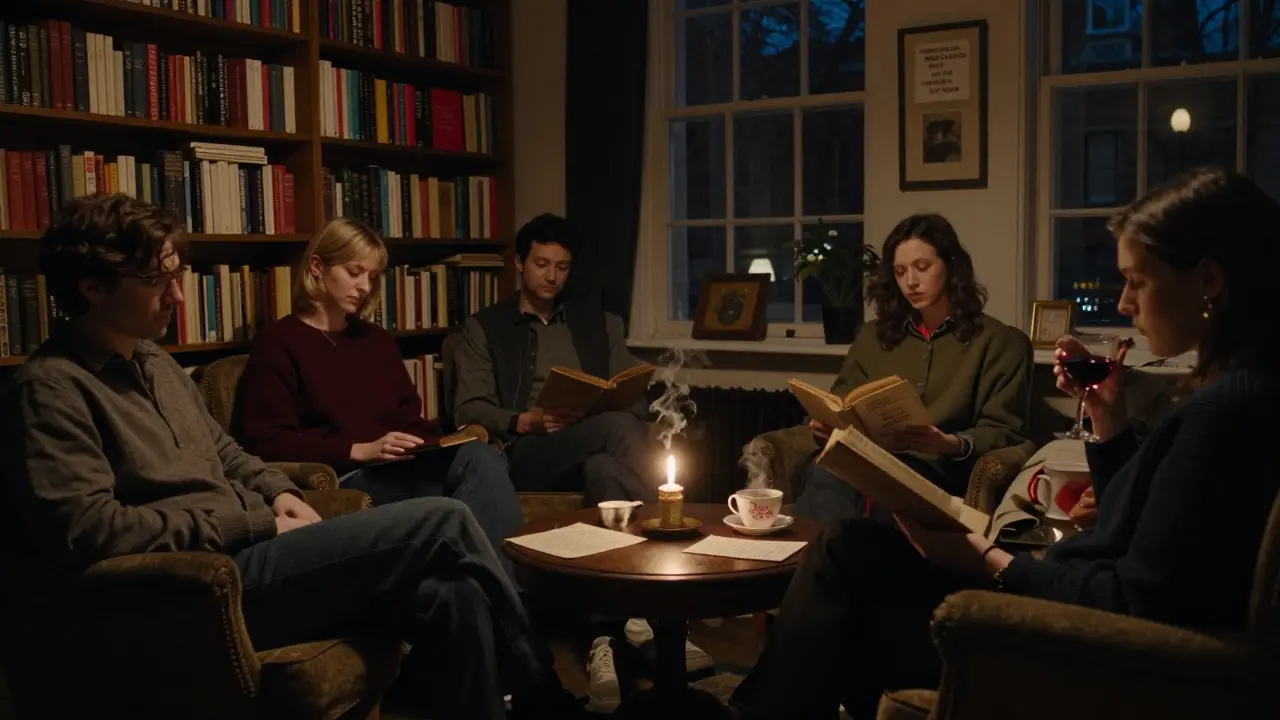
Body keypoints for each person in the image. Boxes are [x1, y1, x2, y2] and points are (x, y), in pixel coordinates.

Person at [0, 195, 584, 720]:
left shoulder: (154, 363)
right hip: (204, 587)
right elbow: (87, 530)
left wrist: (279, 491)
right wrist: (251, 519)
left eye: (177, 277)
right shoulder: (51, 388)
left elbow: (228, 451)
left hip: (259, 545)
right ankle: (541, 693)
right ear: (94, 287)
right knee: (446, 518)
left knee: (448, 592)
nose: (177, 296)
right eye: (158, 281)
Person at [730, 168, 1280, 719]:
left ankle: (763, 704)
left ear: (1208, 280)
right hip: (1062, 596)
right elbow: (1128, 534)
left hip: (1060, 645)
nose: (1124, 302)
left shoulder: (1227, 415)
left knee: (845, 571)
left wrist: (985, 558)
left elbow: (1132, 599)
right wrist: (1109, 423)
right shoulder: (1238, 396)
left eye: (1137, 281)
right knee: (848, 552)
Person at [451, 212, 712, 710]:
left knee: (605, 470)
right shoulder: (484, 328)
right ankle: (674, 585)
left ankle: (611, 631)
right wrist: (525, 419)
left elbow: (633, 392)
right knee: (619, 433)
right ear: (520, 264)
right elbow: (468, 408)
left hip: (594, 447)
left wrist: (607, 402)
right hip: (529, 452)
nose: (552, 276)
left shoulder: (600, 323)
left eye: (563, 267)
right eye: (542, 264)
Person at [236, 218, 524, 570]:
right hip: (345, 474)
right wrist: (358, 450)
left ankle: (482, 589)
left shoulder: (375, 341)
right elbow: (265, 443)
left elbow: (409, 420)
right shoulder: (280, 342)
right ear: (317, 267)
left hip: (399, 466)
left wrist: (439, 443)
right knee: (477, 466)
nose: (364, 287)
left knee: (483, 455)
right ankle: (518, 593)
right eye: (354, 272)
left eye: (372, 277)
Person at [795, 213, 1034, 524]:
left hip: (936, 471)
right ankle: (798, 566)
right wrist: (827, 423)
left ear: (950, 266)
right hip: (865, 459)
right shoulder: (873, 336)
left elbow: (1006, 431)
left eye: (922, 267)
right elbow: (842, 400)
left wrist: (952, 443)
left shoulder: (999, 342)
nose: (911, 282)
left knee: (884, 490)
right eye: (900, 271)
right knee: (828, 473)